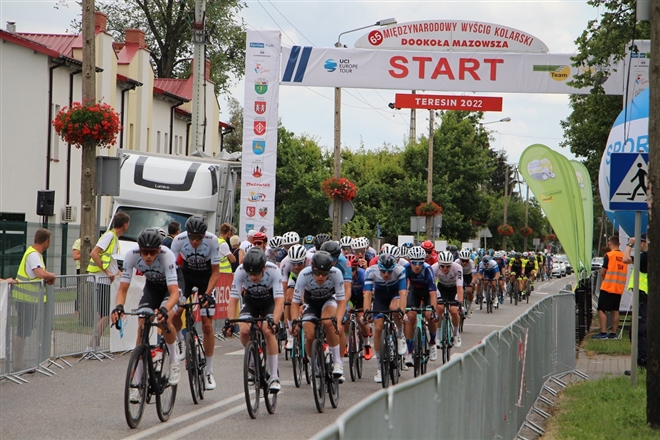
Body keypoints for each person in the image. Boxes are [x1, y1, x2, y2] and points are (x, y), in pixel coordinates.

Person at [110, 228, 181, 401]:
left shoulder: (167, 256)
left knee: (165, 320)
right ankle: (137, 383)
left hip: (170, 288)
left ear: (158, 250)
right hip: (152, 288)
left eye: (152, 252)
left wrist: (164, 309)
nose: (148, 256)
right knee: (142, 326)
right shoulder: (131, 256)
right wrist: (119, 306)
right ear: (139, 249)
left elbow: (174, 293)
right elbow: (123, 289)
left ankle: (174, 360)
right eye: (144, 252)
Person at [170, 215, 221, 390]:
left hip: (206, 278)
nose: (194, 241)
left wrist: (206, 294)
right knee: (176, 312)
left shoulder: (213, 241)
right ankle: (180, 340)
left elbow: (216, 272)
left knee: (207, 326)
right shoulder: (178, 240)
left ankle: (209, 372)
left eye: (198, 238)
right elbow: (172, 269)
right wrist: (174, 292)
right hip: (186, 276)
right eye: (191, 237)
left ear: (204, 235)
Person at [223, 247, 284, 393]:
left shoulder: (273, 270)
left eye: (256, 273)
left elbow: (279, 301)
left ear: (263, 268)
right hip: (250, 302)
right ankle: (253, 359)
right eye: (250, 273)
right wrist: (230, 322)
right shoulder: (240, 271)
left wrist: (274, 322)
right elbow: (233, 300)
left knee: (267, 330)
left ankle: (274, 376)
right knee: (244, 330)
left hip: (269, 303)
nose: (252, 277)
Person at [291, 251, 346, 383]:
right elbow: (295, 302)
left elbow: (341, 301)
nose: (320, 276)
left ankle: (337, 362)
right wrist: (294, 322)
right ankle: (312, 365)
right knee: (309, 335)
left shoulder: (336, 273)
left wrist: (338, 321)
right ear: (312, 269)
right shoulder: (304, 274)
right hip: (311, 303)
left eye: (324, 273)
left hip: (328, 301)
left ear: (329, 271)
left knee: (328, 322)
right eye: (316, 272)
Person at [12, 228, 56, 370]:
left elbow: (38, 275)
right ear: (46, 241)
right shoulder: (34, 255)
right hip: (26, 300)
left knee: (24, 331)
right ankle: (18, 364)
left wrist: (46, 277)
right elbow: (40, 273)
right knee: (22, 332)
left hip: (29, 300)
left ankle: (20, 363)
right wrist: (52, 275)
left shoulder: (34, 254)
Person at [87, 212, 130, 351]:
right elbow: (94, 253)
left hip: (104, 280)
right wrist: (107, 272)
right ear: (125, 225)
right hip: (101, 279)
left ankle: (95, 346)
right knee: (106, 315)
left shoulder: (114, 238)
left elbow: (110, 260)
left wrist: (118, 273)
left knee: (102, 314)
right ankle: (91, 346)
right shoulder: (110, 236)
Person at [362, 253, 407, 383]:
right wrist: (366, 312)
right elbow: (367, 294)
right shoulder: (370, 271)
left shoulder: (400, 270)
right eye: (383, 271)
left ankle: (400, 335)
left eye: (389, 271)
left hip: (394, 294)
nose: (386, 274)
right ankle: (379, 366)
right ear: (378, 267)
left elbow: (403, 293)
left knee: (395, 309)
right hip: (380, 297)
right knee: (378, 328)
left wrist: (402, 312)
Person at [404, 246, 438, 365]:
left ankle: (432, 342)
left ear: (424, 262)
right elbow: (403, 290)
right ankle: (409, 352)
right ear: (409, 261)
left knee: (429, 315)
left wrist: (433, 310)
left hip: (427, 291)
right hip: (415, 291)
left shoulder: (428, 270)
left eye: (420, 262)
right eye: (414, 262)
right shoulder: (406, 268)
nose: (417, 266)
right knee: (410, 317)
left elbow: (433, 293)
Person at [593, 236, 628, 340]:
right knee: (615, 310)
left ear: (609, 244)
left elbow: (603, 271)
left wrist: (603, 278)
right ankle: (613, 333)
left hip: (608, 287)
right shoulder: (624, 256)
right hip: (619, 288)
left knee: (601, 309)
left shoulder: (609, 255)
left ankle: (603, 332)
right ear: (619, 244)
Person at [622, 233, 648, 369]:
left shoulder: (645, 256)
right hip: (642, 297)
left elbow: (625, 259)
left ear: (643, 243)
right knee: (637, 330)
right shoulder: (648, 256)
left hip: (643, 297)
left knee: (638, 331)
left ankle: (642, 361)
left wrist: (629, 244)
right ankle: (640, 361)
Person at [432, 251, 464, 348]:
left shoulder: (457, 268)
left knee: (453, 311)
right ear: (438, 263)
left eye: (448, 266)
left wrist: (460, 302)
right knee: (439, 308)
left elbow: (459, 287)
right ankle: (437, 336)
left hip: (454, 289)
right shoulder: (433, 268)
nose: (445, 268)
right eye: (442, 266)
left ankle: (456, 333)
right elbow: (432, 287)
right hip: (441, 288)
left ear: (451, 264)